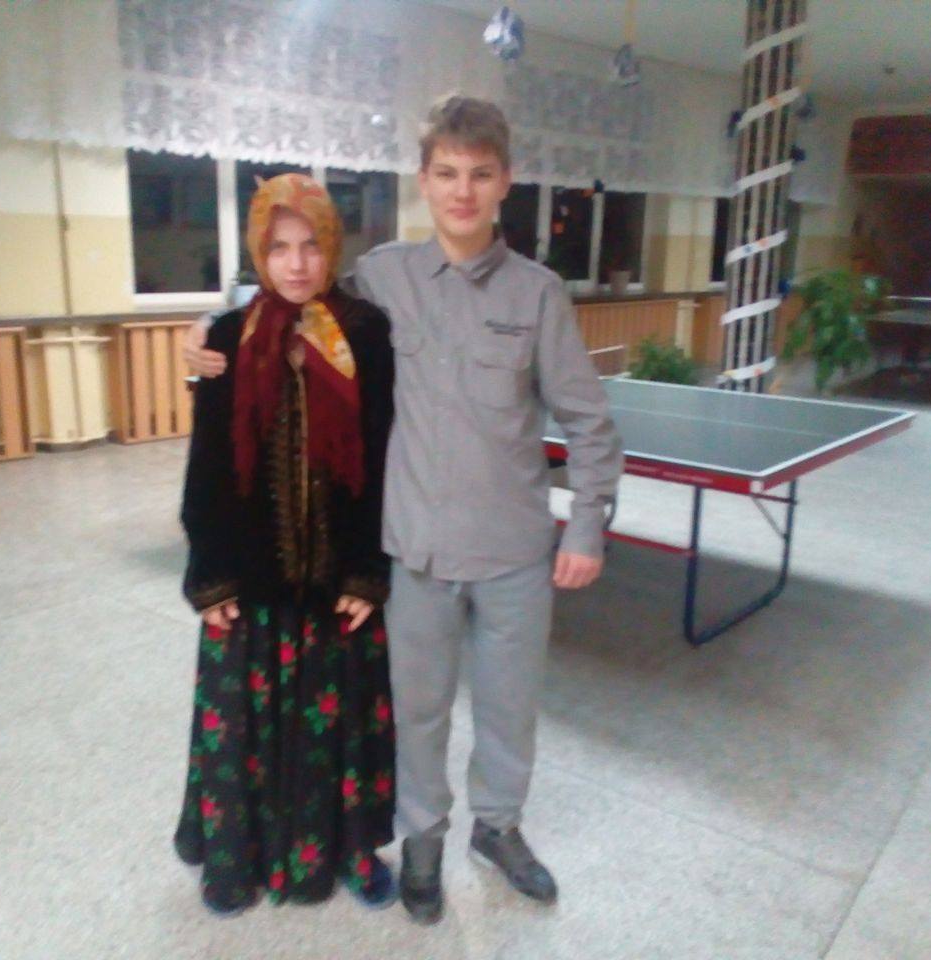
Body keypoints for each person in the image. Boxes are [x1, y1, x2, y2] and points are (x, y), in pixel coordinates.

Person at [185, 97, 622, 925]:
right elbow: (293, 285)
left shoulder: (539, 295)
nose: (462, 191)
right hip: (414, 554)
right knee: (417, 713)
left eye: (480, 175)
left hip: (514, 553)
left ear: (505, 182)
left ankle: (498, 827)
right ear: (424, 180)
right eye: (447, 173)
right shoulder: (382, 278)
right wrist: (212, 326)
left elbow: (589, 421)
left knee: (509, 708)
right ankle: (422, 841)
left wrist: (589, 524)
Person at [173, 173, 397, 916]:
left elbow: (382, 457)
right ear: (257, 253)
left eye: (310, 245)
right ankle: (238, 859)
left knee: (341, 726)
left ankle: (350, 851)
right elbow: (207, 467)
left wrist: (368, 572)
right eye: (278, 248)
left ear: (332, 246)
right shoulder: (226, 339)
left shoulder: (366, 335)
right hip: (252, 584)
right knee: (248, 727)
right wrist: (209, 577)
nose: (296, 264)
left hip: (338, 585)